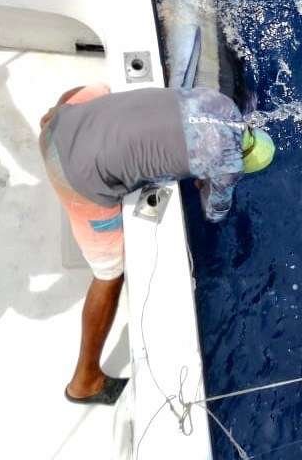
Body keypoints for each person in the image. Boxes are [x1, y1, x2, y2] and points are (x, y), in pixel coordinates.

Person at [39, 84, 275, 405]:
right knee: (110, 273)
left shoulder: (221, 104)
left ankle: (52, 116)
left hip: (61, 121)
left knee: (99, 91)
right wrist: (207, 182)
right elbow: (214, 212)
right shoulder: (230, 165)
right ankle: (85, 381)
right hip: (73, 174)